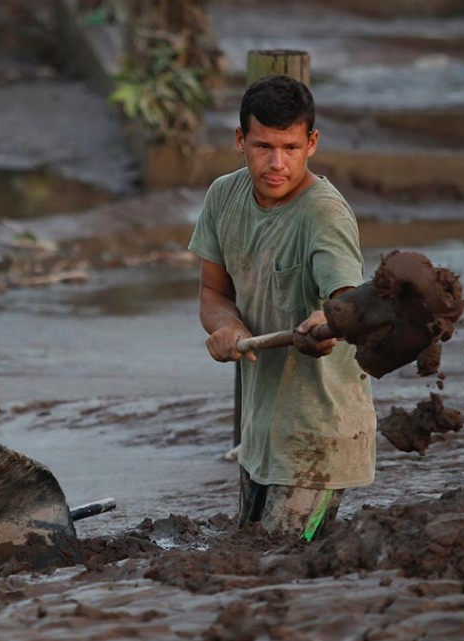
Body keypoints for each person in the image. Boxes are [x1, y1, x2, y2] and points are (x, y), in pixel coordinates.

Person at [187, 75, 376, 541]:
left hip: (319, 437)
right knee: (249, 556)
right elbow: (213, 293)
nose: (276, 164)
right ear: (240, 140)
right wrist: (227, 327)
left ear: (311, 143)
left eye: (290, 148)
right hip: (260, 432)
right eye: (263, 147)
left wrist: (328, 324)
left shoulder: (324, 214)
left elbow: (348, 304)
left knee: (285, 561)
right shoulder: (223, 196)